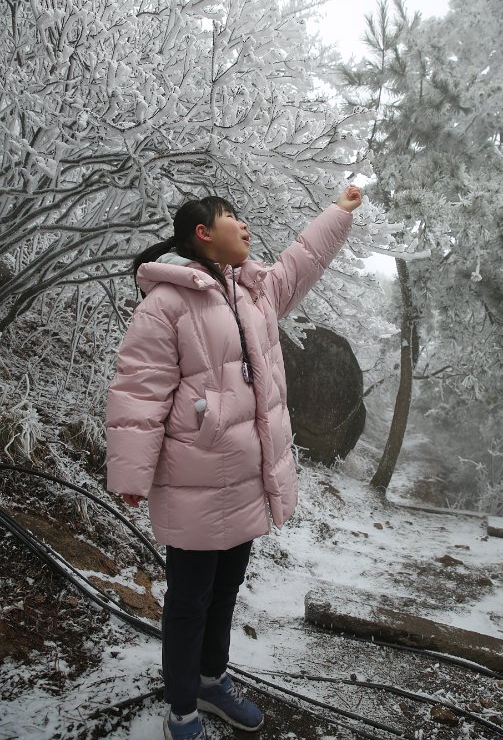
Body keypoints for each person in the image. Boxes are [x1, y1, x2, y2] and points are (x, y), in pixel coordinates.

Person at [106, 185, 362, 740]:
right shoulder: (167, 304)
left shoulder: (254, 291)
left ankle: (210, 680)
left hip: (245, 478)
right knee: (189, 601)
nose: (245, 226)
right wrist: (131, 472)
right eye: (232, 217)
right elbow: (139, 391)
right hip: (196, 477)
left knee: (224, 592)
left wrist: (338, 213)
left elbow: (303, 259)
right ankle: (182, 709)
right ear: (203, 233)